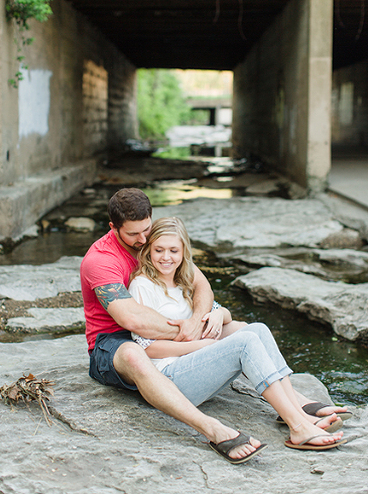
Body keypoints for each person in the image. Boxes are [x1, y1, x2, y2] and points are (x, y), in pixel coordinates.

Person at [80, 188, 351, 463]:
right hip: (114, 339)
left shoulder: (157, 245)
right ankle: (223, 429)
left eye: (147, 230)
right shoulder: (103, 261)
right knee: (133, 353)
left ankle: (293, 404)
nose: (143, 240)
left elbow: (199, 284)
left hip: (179, 340)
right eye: (133, 235)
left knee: (252, 329)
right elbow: (132, 320)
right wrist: (190, 334)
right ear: (113, 227)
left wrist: (203, 319)